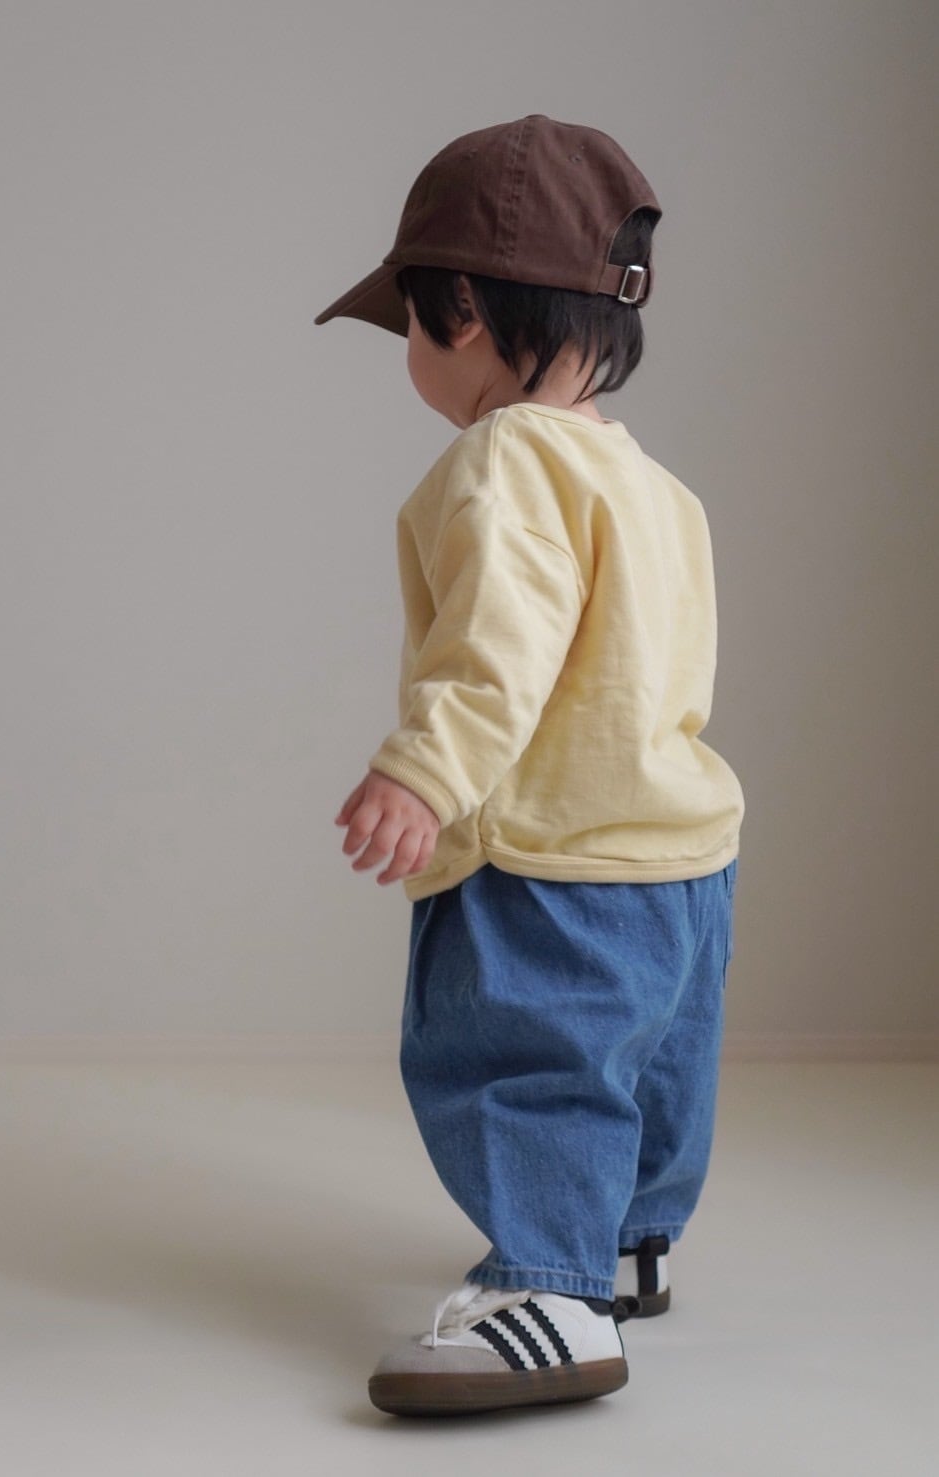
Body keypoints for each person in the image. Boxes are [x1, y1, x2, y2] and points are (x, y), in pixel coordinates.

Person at [314, 115, 744, 1418]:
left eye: (408, 326)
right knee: (647, 1062)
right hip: (679, 854)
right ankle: (624, 1244)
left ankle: (549, 1293)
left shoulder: (502, 459)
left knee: (522, 1060)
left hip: (550, 859)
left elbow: (501, 642)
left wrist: (424, 771)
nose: (411, 358)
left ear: (459, 310)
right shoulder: (650, 482)